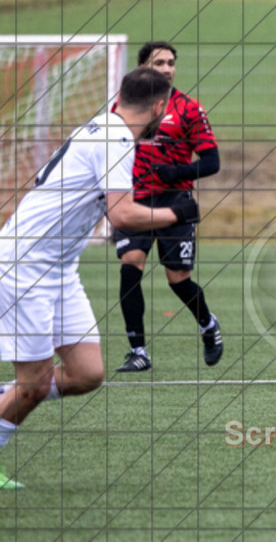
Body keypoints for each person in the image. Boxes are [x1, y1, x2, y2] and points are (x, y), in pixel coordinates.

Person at [0, 68, 201, 489]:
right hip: (24, 268)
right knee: (34, 387)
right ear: (160, 108)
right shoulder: (116, 140)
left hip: (58, 269)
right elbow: (122, 215)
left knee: (86, 373)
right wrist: (178, 213)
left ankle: (9, 394)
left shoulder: (106, 127)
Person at [113, 42, 223, 372]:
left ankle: (207, 324)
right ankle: (138, 351)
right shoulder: (121, 107)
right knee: (130, 266)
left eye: (171, 62)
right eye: (158, 62)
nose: (166, 68)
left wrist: (176, 173)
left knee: (178, 279)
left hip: (175, 201)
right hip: (135, 198)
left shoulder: (189, 108)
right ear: (142, 67)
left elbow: (212, 162)